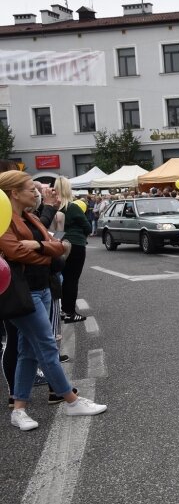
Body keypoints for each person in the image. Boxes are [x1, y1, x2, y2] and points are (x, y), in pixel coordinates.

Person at [0, 171, 107, 431]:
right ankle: (70, 400)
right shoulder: (4, 221)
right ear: (14, 193)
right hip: (23, 291)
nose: (36, 192)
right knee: (47, 345)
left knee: (28, 351)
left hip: (42, 288)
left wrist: (38, 247)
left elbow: (58, 244)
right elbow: (16, 252)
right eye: (29, 188)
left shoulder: (29, 217)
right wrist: (47, 251)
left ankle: (20, 409)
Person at [53, 176, 91, 324]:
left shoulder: (53, 208)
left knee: (62, 277)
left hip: (58, 243)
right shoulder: (72, 207)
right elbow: (87, 227)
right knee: (72, 279)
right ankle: (70, 312)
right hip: (75, 244)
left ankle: (63, 310)